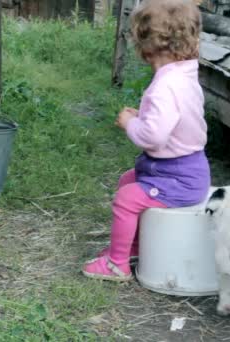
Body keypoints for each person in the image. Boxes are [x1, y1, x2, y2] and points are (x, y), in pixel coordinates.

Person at [83, 0, 210, 281]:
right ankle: (136, 246)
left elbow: (152, 138)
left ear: (145, 46)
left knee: (127, 198)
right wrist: (145, 115)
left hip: (178, 178)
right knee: (128, 180)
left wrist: (131, 123)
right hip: (183, 170)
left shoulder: (165, 85)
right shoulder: (185, 74)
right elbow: (176, 119)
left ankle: (117, 264)